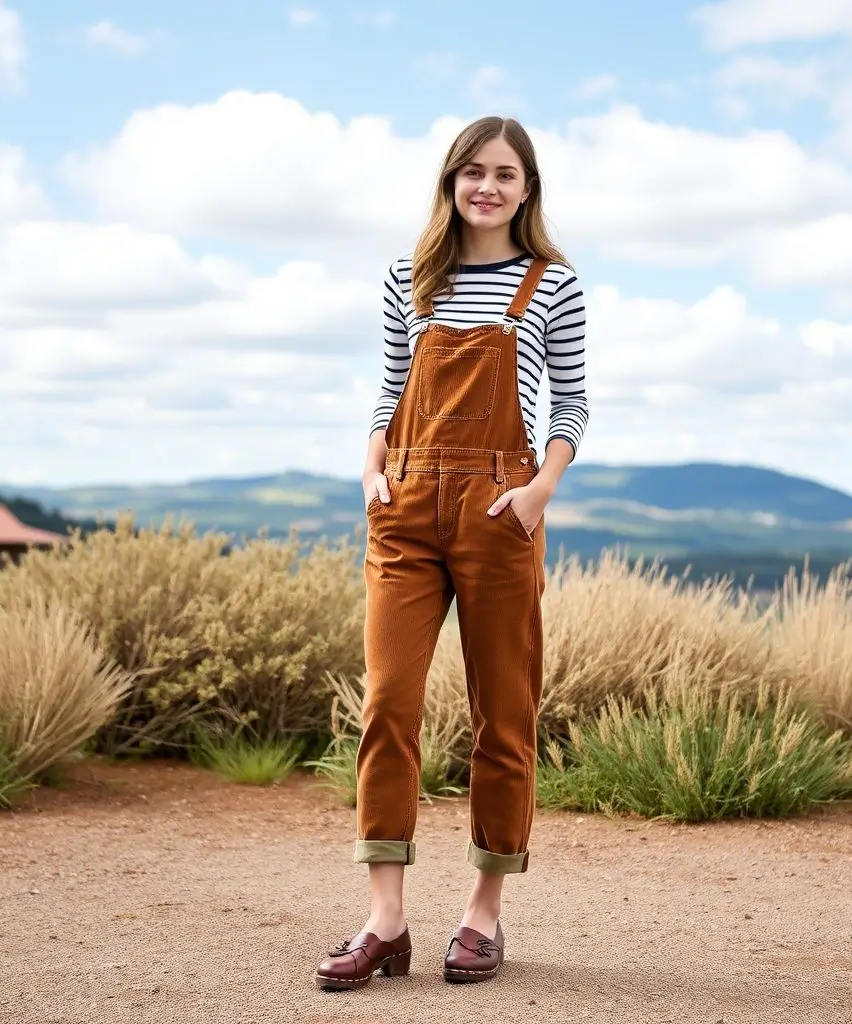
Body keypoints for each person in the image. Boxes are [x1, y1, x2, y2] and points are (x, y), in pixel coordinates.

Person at [315, 115, 589, 990]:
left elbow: (572, 404)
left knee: (502, 715)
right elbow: (392, 386)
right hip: (404, 507)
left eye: (505, 174)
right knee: (388, 705)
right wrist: (370, 470)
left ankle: (482, 913)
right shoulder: (410, 276)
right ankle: (385, 921)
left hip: (500, 509)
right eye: (473, 172)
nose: (488, 187)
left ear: (527, 188)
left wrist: (539, 491)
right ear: (450, 183)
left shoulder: (554, 284)